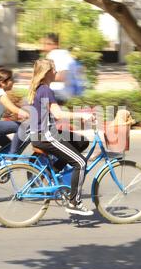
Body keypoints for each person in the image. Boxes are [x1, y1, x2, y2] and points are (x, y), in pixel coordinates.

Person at [27, 59, 94, 216]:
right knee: (80, 162)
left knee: (81, 142)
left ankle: (54, 170)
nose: (56, 72)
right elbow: (58, 114)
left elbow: (53, 115)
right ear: (47, 72)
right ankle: (74, 203)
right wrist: (81, 115)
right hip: (46, 136)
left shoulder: (41, 89)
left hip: (44, 133)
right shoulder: (45, 90)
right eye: (54, 69)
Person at [42, 33, 76, 105]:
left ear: (56, 44)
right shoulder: (64, 53)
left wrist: (42, 77)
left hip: (57, 92)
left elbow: (63, 76)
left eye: (48, 44)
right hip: (61, 93)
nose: (45, 46)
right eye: (44, 43)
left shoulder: (55, 54)